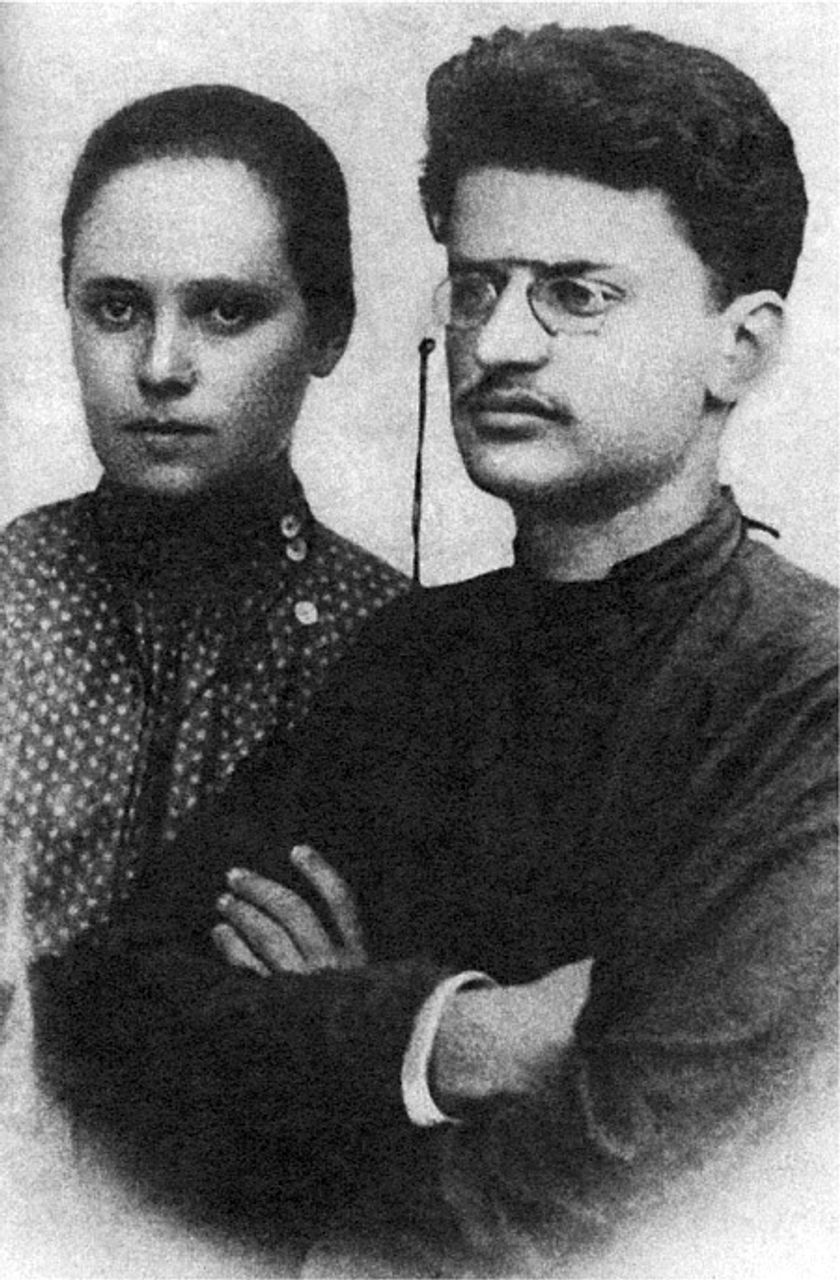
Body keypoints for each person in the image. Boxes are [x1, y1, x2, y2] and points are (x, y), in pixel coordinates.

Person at [33, 25, 837, 1275]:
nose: (499, 341)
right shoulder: (414, 655)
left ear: (740, 346)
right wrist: (457, 1035)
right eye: (476, 286)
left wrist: (317, 1052)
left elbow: (638, 1178)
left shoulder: (805, 695)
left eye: (576, 293)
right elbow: (102, 1013)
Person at [0, 85, 407, 959]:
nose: (160, 366)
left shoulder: (398, 652)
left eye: (225, 311)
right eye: (116, 308)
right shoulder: (11, 595)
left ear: (328, 331)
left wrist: (355, 1005)